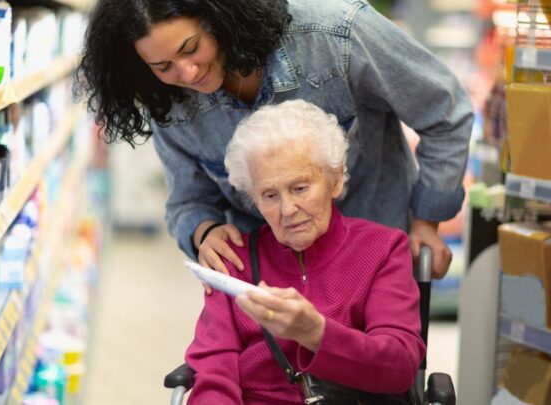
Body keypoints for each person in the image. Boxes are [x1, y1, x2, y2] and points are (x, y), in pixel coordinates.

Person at [77, 0, 473, 279]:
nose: (189, 72)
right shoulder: (169, 101)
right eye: (163, 66)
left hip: (377, 271)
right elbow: (188, 200)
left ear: (218, 14)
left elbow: (445, 111)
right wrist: (204, 232)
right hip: (270, 290)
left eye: (192, 48)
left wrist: (427, 223)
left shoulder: (336, 36)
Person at [185, 99, 425, 404]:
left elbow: (399, 367)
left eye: (299, 188)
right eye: (270, 195)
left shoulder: (382, 249)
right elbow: (213, 374)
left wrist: (316, 333)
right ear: (253, 199)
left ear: (335, 180)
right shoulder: (233, 260)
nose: (287, 210)